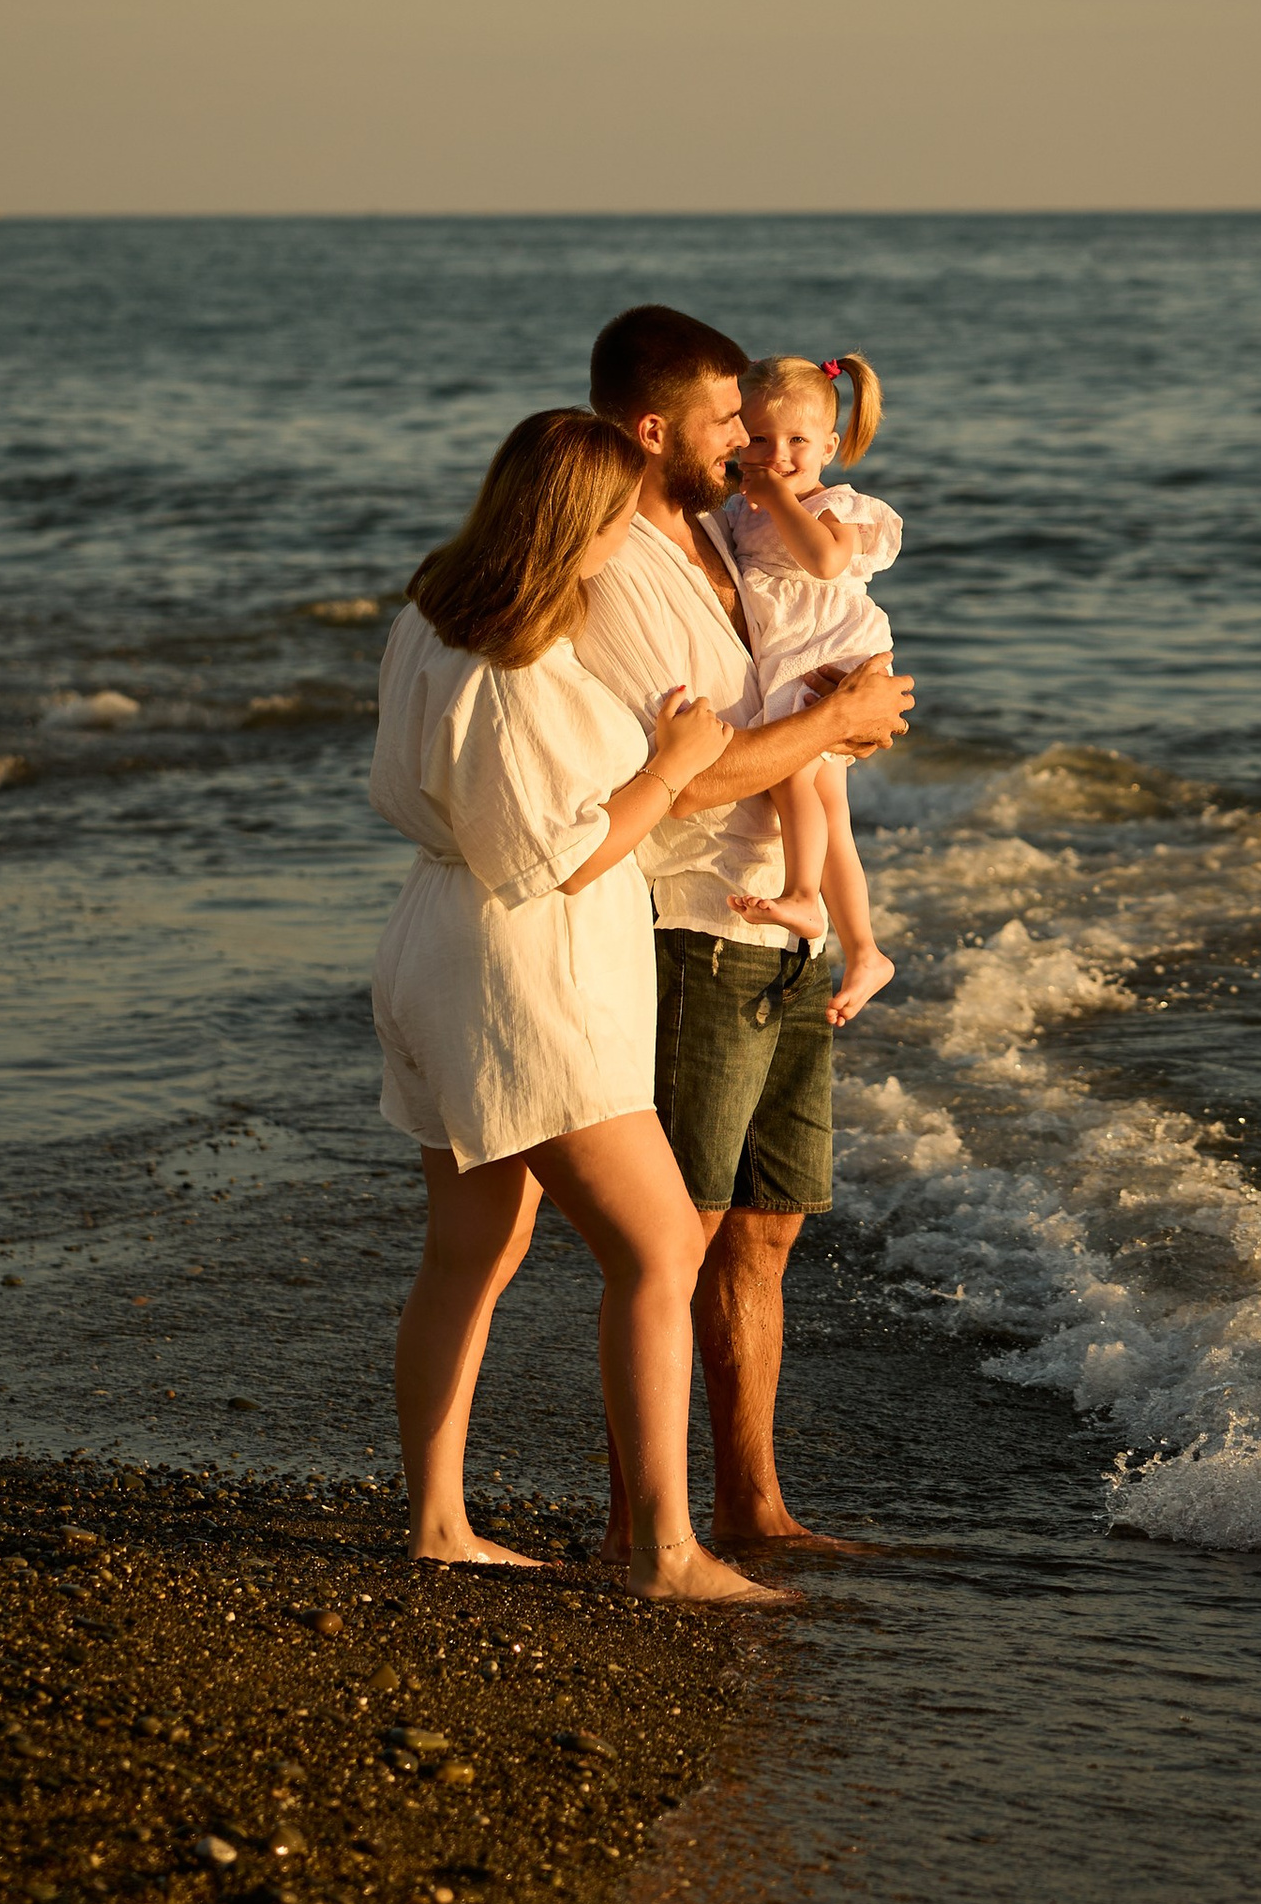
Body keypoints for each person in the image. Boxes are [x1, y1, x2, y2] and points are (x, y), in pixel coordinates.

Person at [369, 406, 782, 1609]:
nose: (628, 538)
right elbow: (562, 855)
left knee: (473, 1248)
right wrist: (668, 762)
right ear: (576, 522)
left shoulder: (430, 617)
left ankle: (440, 1524)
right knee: (656, 1247)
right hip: (521, 969)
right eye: (616, 516)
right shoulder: (521, 664)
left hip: (432, 942)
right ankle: (663, 1553)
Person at [575, 306, 916, 1551]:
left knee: (767, 1230)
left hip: (786, 933)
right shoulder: (622, 558)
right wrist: (832, 724)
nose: (747, 446)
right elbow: (690, 771)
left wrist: (854, 713)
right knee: (682, 1234)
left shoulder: (723, 539)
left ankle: (753, 1505)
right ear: (656, 427)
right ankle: (637, 1524)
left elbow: (808, 678)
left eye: (758, 424)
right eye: (728, 422)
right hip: (695, 928)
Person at [722, 350, 901, 1028]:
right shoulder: (743, 509)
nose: (778, 455)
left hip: (830, 650)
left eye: (797, 442)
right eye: (760, 441)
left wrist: (770, 496)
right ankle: (864, 950)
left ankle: (802, 892)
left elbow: (826, 562)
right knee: (834, 817)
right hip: (793, 656)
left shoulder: (837, 507)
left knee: (791, 769)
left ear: (828, 446)